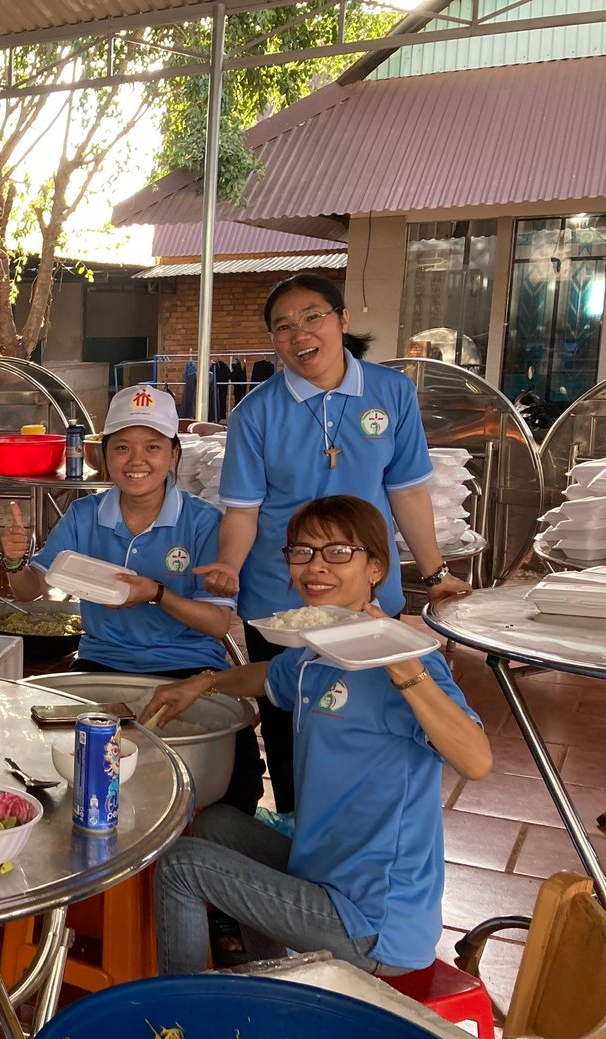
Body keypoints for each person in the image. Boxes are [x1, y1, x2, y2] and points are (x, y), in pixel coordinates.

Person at [147, 496, 491, 976]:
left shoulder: (410, 662)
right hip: (321, 873)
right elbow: (270, 675)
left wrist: (402, 666)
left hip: (373, 921)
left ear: (376, 569)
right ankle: (275, 977)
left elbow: (476, 761)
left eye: (339, 552)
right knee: (216, 825)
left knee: (182, 864)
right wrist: (204, 683)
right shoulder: (318, 651)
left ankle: (180, 1010)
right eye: (302, 552)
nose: (316, 566)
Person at [193, 273, 472, 813]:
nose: (299, 334)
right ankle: (295, 832)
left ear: (342, 320)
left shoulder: (391, 393)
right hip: (281, 598)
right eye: (283, 326)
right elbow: (244, 511)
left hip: (366, 593)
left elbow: (407, 492)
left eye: (312, 317)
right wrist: (229, 563)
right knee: (288, 731)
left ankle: (361, 837)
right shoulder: (255, 412)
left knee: (365, 722)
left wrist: (436, 575)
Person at [1, 383, 261, 815]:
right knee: (49, 763)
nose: (136, 460)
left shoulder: (202, 522)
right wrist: (14, 561)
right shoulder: (85, 515)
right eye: (122, 447)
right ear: (104, 455)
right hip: (102, 663)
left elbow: (217, 625)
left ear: (173, 454)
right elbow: (32, 591)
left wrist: (156, 593)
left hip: (187, 667)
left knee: (238, 781)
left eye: (152, 447)